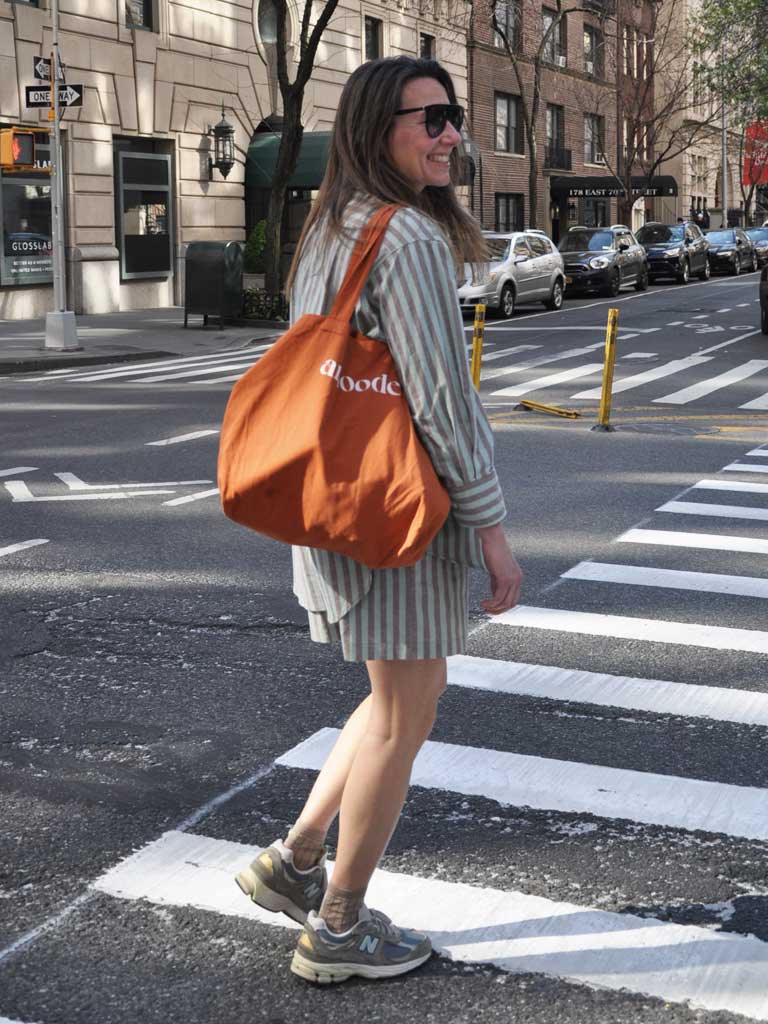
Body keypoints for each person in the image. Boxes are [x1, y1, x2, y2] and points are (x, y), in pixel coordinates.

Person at [233, 55, 523, 984]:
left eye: (454, 117)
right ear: (377, 128)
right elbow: (442, 401)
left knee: (395, 699)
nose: (449, 135)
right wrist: (492, 529)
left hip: (333, 506)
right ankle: (340, 928)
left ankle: (297, 860)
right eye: (428, 118)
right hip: (393, 516)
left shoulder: (332, 225)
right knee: (407, 716)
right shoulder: (404, 241)